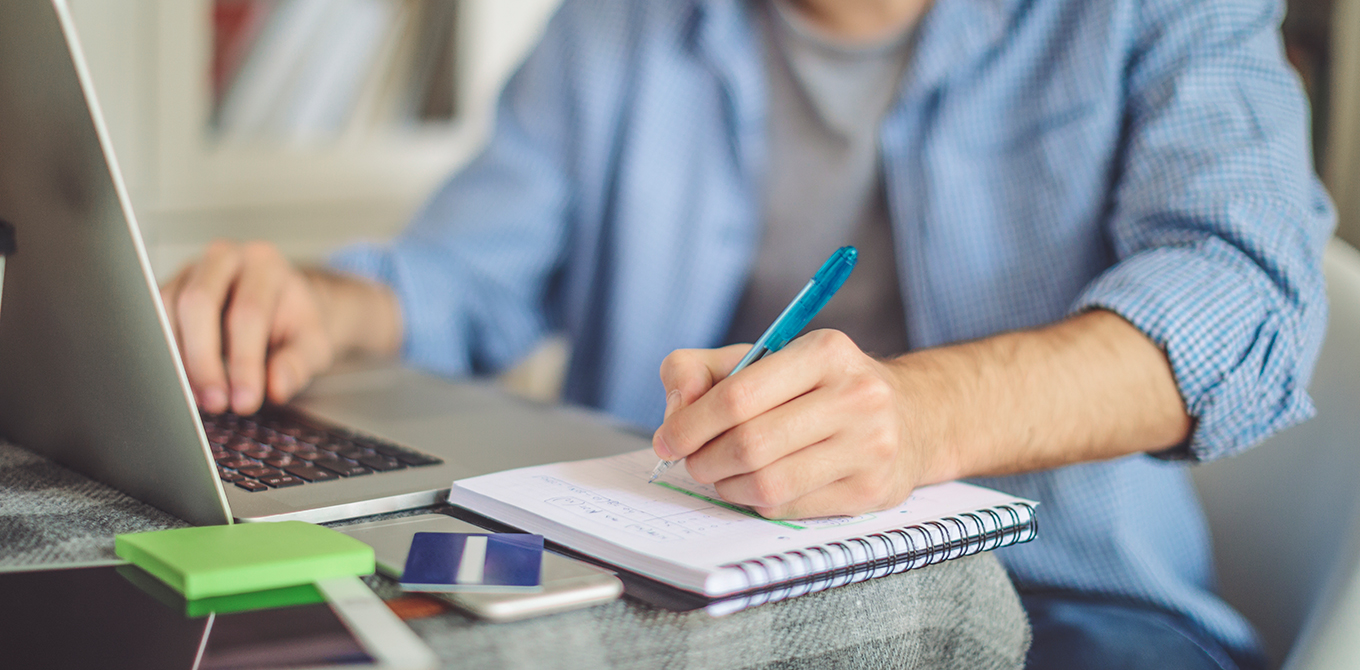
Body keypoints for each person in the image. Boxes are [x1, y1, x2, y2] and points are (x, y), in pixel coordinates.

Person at [161, 0, 1333, 668]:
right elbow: (464, 275)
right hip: (668, 587)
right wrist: (315, 305)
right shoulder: (614, 28)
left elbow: (1247, 295)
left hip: (1073, 604)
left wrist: (923, 415)